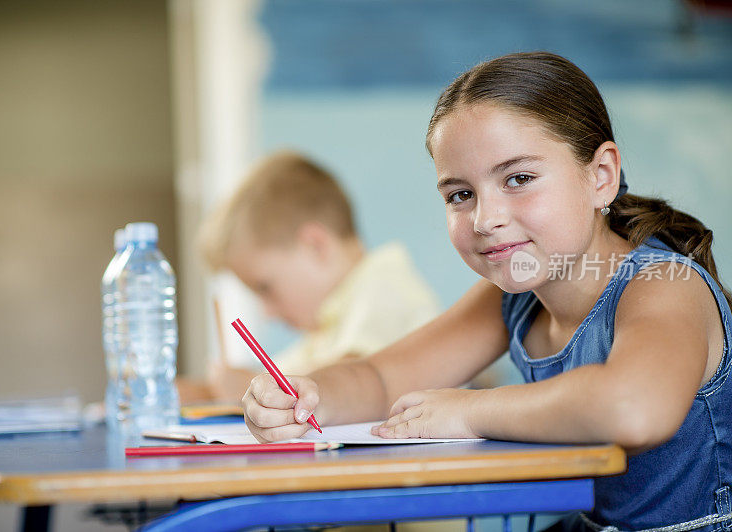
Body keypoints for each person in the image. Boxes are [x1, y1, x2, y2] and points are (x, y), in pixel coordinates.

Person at [241, 52, 732, 532]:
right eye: (460, 194)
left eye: (518, 178)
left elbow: (633, 409)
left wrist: (470, 411)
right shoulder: (511, 298)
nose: (485, 218)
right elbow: (382, 379)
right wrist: (308, 395)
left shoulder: (664, 285)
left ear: (600, 177)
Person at [177, 150, 441, 404]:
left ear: (316, 246)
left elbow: (354, 375)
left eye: (265, 288)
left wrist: (250, 383)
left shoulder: (384, 284)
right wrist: (203, 391)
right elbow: (283, 376)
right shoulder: (327, 326)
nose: (267, 312)